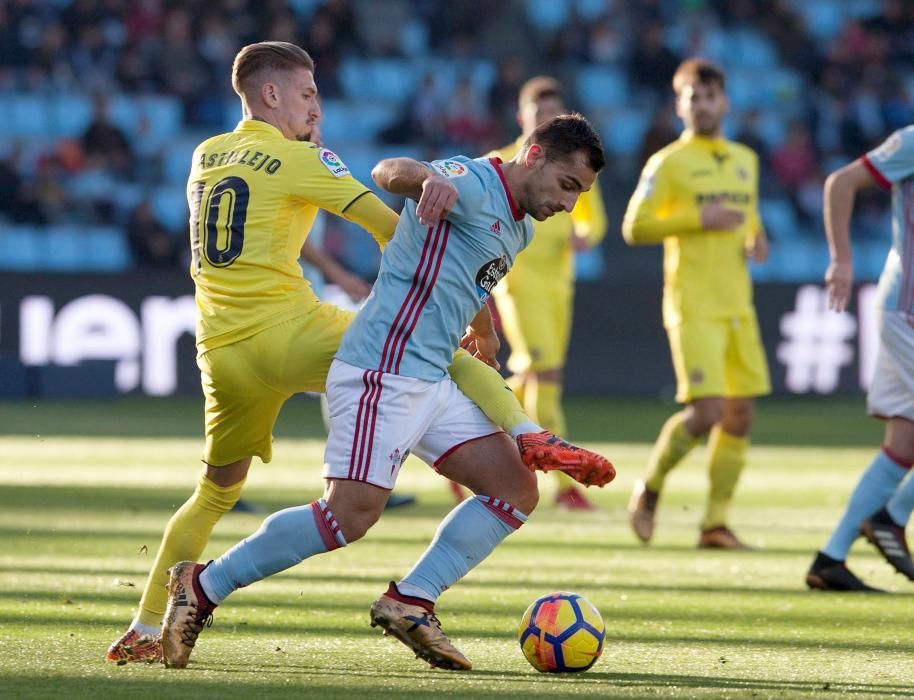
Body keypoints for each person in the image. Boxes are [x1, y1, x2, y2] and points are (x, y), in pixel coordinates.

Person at [106, 41, 603, 664]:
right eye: (309, 94)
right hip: (320, 342)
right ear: (272, 95)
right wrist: (425, 183)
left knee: (216, 494)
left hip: (221, 345)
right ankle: (202, 587)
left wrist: (481, 319)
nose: (318, 106)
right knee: (350, 509)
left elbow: (270, 219)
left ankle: (153, 626)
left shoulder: (208, 154)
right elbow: (392, 196)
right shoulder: (341, 165)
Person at [622, 58, 770, 550]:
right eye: (693, 97)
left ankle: (714, 523)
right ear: (680, 104)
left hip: (737, 305)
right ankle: (650, 487)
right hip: (692, 303)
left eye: (710, 97)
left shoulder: (745, 160)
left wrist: (757, 240)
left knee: (740, 415)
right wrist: (695, 216)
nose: (703, 105)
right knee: (706, 412)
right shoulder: (667, 163)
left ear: (723, 101)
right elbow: (634, 227)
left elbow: (748, 219)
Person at [486, 76, 607, 510]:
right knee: (547, 375)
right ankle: (562, 482)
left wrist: (586, 235)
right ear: (523, 118)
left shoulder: (573, 166)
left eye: (553, 115)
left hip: (559, 283)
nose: (545, 120)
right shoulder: (503, 162)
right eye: (538, 114)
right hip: (517, 283)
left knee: (533, 377)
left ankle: (478, 425)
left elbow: (594, 219)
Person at [805, 125, 914, 592]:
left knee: (904, 444)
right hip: (906, 309)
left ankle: (831, 558)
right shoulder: (911, 141)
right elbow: (841, 182)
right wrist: (842, 259)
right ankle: (891, 517)